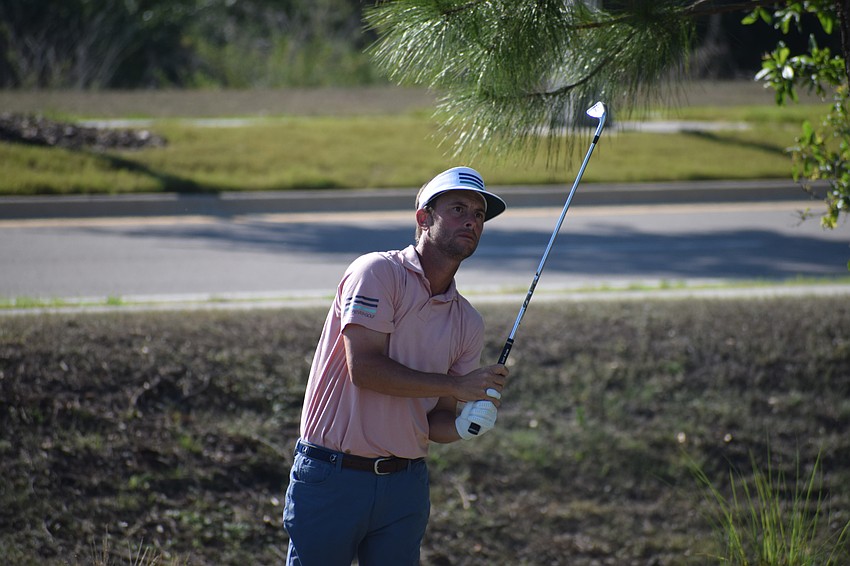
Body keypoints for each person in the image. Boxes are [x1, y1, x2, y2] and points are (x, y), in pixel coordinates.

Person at [283, 165, 510, 565]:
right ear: (424, 218)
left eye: (478, 215)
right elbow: (365, 369)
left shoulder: (467, 322)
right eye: (458, 209)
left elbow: (436, 420)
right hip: (333, 476)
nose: (471, 221)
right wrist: (457, 386)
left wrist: (463, 426)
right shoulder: (377, 272)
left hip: (405, 487)